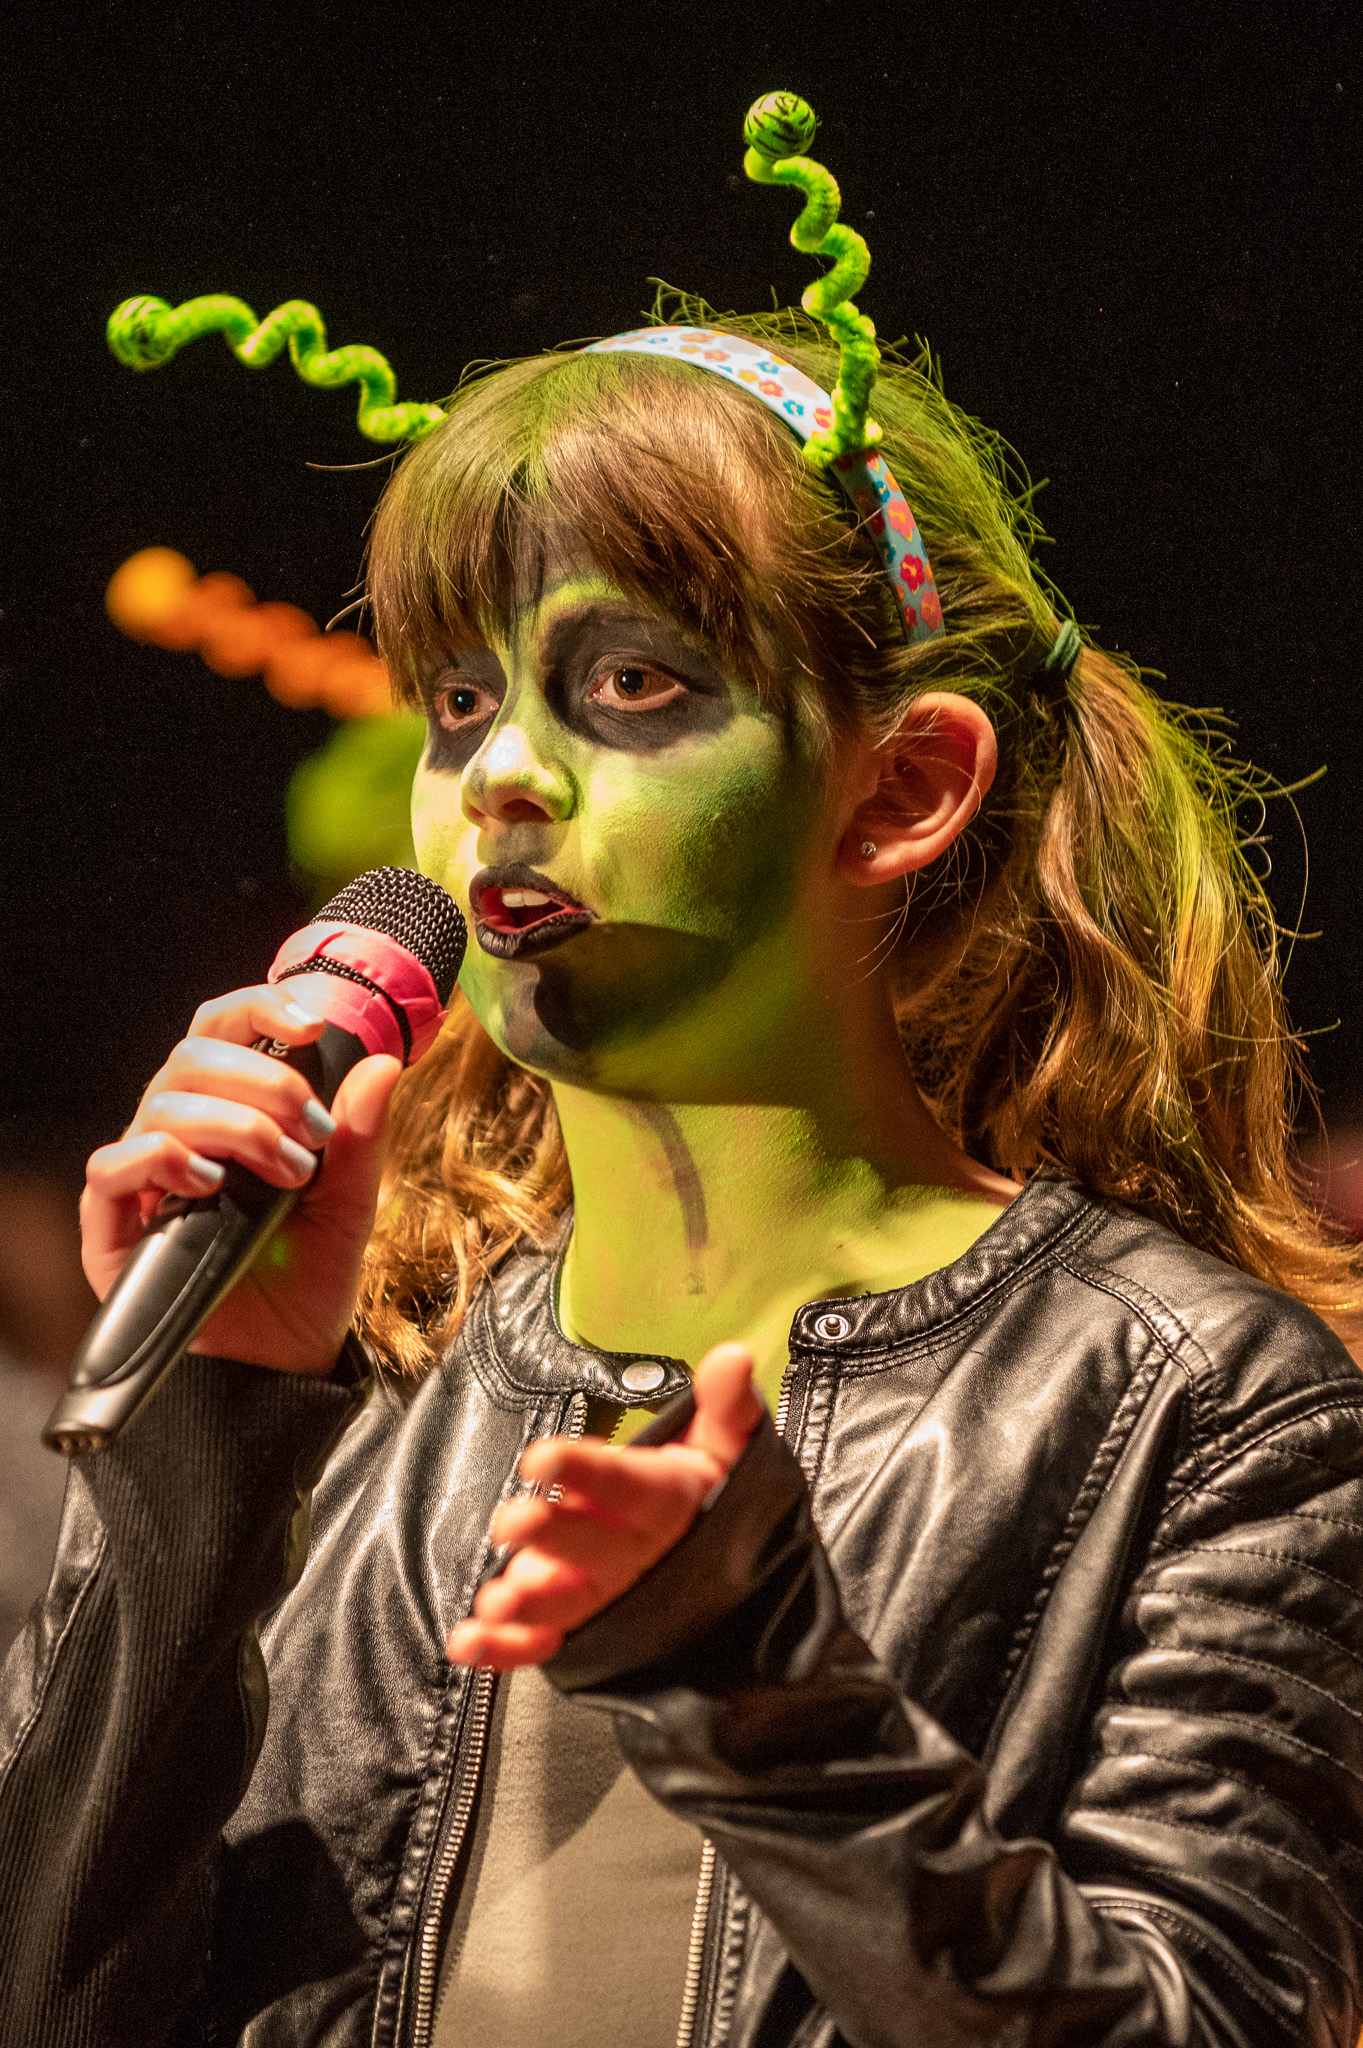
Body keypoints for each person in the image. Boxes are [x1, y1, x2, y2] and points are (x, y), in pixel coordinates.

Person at [3, 93, 1363, 2048]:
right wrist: (198, 1446)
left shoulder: (1193, 1403)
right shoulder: (355, 1392)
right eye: (458, 697)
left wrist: (761, 1686)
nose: (501, 773)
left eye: (630, 682)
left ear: (900, 789)